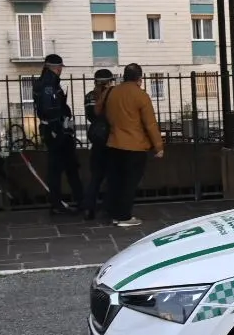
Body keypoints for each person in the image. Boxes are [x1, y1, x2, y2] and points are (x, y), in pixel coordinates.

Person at [104, 63, 164, 228]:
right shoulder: (140, 95)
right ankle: (124, 216)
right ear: (140, 79)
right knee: (130, 183)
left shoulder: (111, 92)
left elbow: (101, 113)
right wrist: (158, 147)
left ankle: (114, 214)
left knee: (115, 181)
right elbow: (150, 123)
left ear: (124, 76)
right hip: (134, 146)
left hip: (113, 143)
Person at [32, 53, 83, 215]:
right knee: (63, 168)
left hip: (55, 129)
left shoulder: (45, 82)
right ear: (55, 68)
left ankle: (68, 202)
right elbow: (50, 109)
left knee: (64, 167)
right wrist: (59, 126)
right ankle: (70, 202)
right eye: (60, 67)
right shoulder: (49, 84)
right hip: (57, 131)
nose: (61, 70)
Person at [81, 69, 115, 219]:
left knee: (95, 177)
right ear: (109, 81)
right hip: (112, 139)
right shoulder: (113, 95)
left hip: (97, 139)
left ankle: (89, 208)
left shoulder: (89, 96)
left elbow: (90, 116)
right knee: (112, 176)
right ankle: (109, 207)